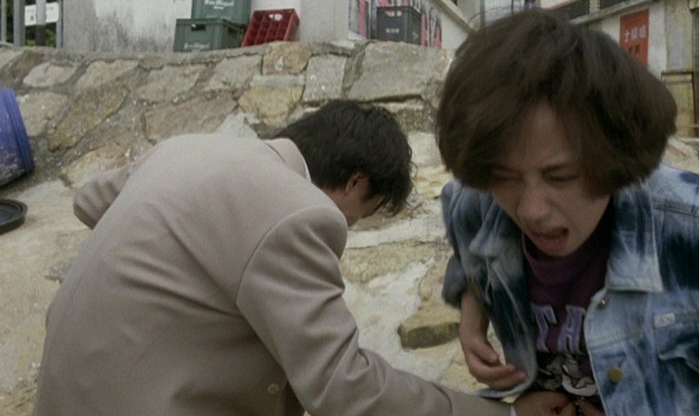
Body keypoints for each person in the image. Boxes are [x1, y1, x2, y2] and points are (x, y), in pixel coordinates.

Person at [33, 100, 563, 416]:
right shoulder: (300, 213)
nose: (347, 227)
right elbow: (343, 389)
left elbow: (88, 202)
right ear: (355, 182)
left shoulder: (185, 148)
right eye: (361, 215)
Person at [434, 10, 699, 415]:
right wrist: (472, 319)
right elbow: (467, 244)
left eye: (561, 177)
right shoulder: (478, 202)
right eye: (506, 177)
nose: (532, 210)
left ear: (613, 158)